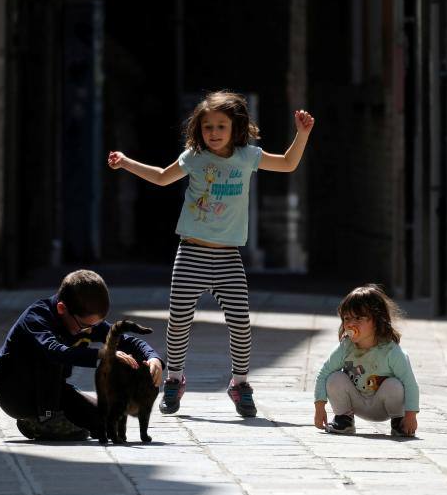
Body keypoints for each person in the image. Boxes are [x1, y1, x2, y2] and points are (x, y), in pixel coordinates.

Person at [107, 90, 314, 417]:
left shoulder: (248, 156)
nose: (214, 133)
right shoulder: (195, 157)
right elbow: (162, 177)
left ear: (236, 127)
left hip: (229, 257)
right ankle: (174, 379)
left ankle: (240, 383)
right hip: (191, 254)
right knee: (178, 320)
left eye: (221, 126)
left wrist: (301, 134)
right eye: (207, 127)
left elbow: (288, 164)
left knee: (240, 323)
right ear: (198, 130)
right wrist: (126, 162)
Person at [0, 269, 164, 441]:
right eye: (84, 326)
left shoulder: (85, 321)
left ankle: (36, 422)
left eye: (95, 325)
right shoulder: (37, 318)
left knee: (104, 420)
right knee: (53, 356)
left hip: (54, 390)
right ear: (61, 308)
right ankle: (44, 419)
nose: (89, 330)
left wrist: (152, 357)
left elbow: (125, 340)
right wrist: (103, 354)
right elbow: (56, 351)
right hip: (15, 393)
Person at [313, 284, 419, 436]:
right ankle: (344, 419)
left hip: (384, 406)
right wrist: (319, 407)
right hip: (357, 403)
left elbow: (410, 384)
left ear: (376, 320)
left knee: (394, 385)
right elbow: (323, 373)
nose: (351, 323)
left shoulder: (391, 351)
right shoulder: (346, 347)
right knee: (334, 377)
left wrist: (411, 416)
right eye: (347, 318)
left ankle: (398, 422)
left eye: (358, 318)